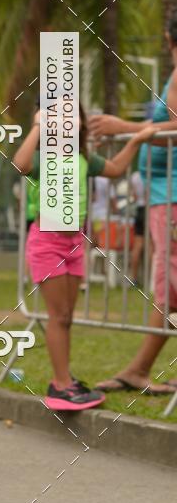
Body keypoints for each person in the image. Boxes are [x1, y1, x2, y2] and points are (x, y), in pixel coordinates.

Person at [14, 103, 152, 410]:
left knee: (67, 317)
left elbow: (115, 170)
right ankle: (61, 384)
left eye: (72, 114)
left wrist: (135, 140)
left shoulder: (82, 159)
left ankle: (65, 380)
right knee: (58, 315)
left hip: (75, 243)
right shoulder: (43, 157)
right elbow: (19, 165)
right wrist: (37, 127)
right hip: (47, 241)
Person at [93, 13, 177, 395]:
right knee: (169, 289)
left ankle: (138, 370)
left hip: (171, 196)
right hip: (163, 195)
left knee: (169, 283)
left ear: (166, 34)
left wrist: (123, 128)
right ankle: (138, 369)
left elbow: (174, 128)